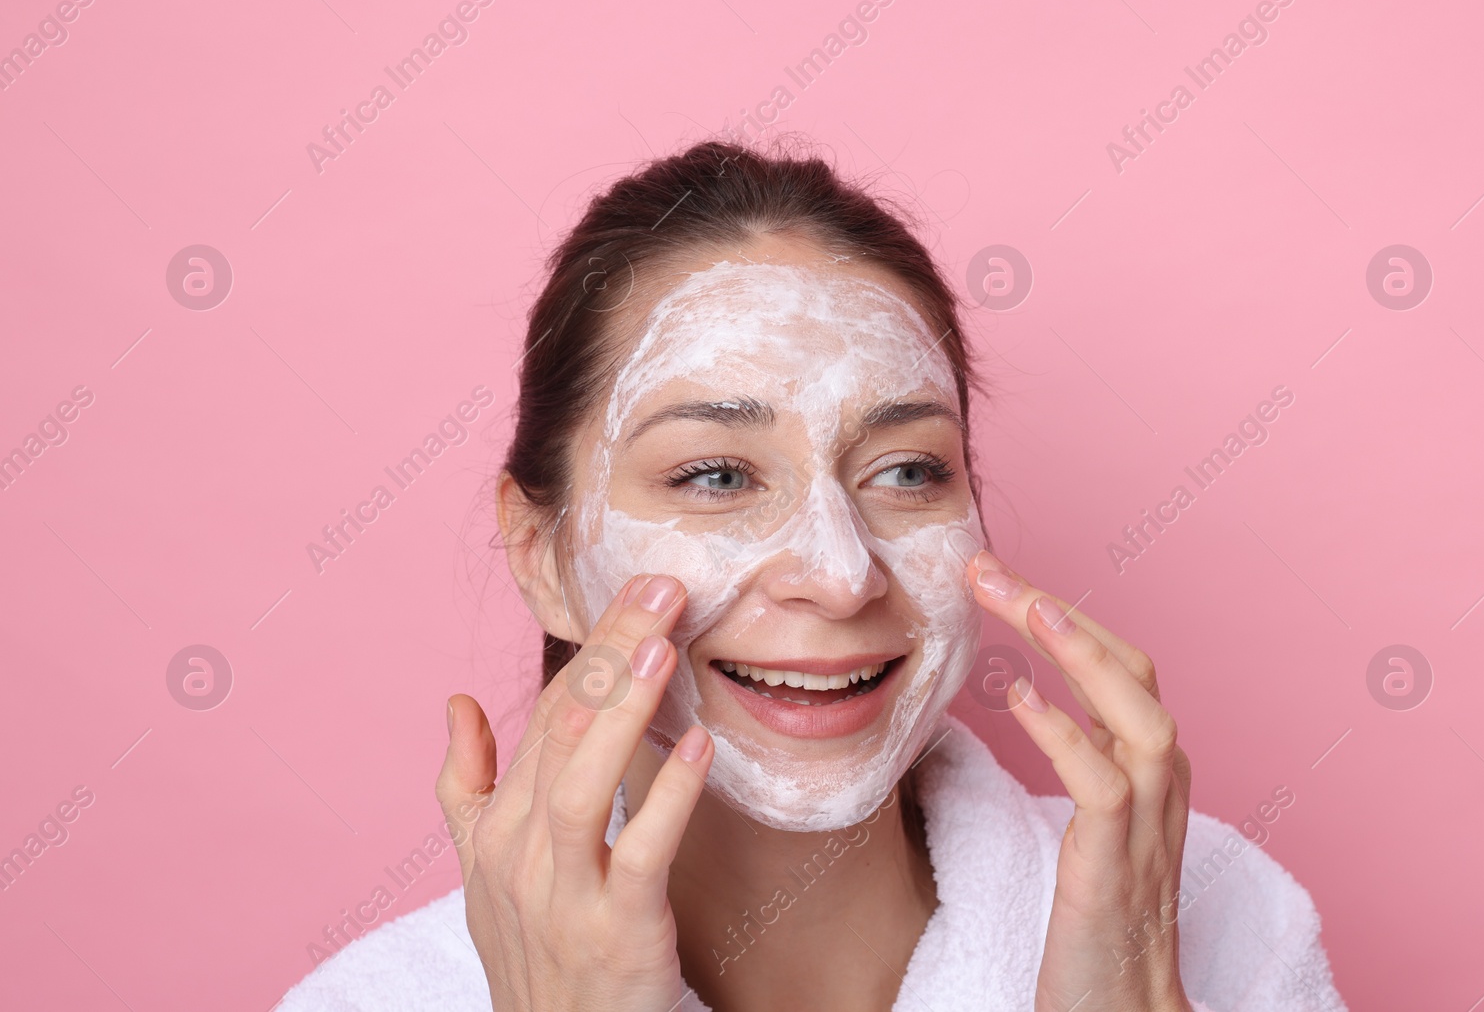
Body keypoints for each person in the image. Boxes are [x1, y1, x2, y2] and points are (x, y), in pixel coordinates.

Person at [278, 139, 1347, 1012]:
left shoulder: (1214, 922)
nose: (841, 575)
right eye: (715, 474)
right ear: (543, 556)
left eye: (907, 470)